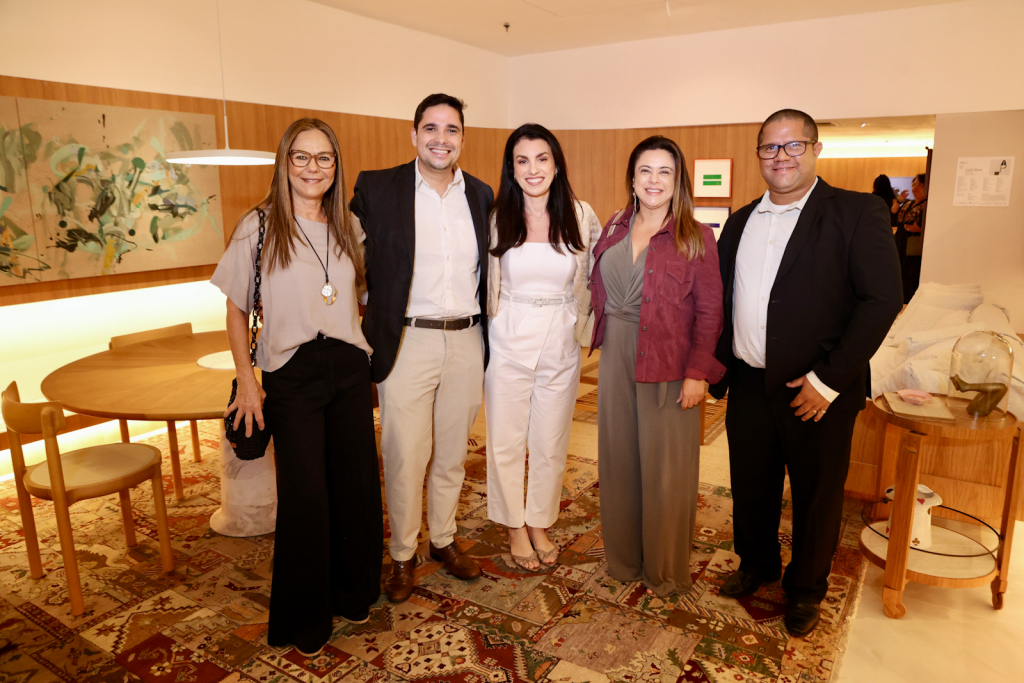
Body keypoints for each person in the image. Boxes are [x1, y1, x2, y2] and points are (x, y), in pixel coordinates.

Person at [711, 109, 902, 637]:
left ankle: (806, 589)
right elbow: (723, 298)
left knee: (817, 493)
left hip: (817, 387)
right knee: (751, 484)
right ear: (759, 157)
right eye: (771, 148)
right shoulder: (740, 220)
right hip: (749, 380)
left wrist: (828, 380)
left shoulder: (857, 212)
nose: (782, 157)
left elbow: (882, 299)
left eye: (794, 146)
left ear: (816, 150)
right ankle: (757, 565)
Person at [212, 118, 382, 656]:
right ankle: (305, 618)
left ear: (337, 165)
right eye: (302, 157)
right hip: (292, 374)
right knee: (306, 494)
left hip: (349, 369)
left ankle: (354, 594)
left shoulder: (349, 225)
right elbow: (236, 307)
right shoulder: (257, 227)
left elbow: (361, 296)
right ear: (284, 162)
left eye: (324, 158)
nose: (314, 168)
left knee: (355, 485)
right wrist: (247, 380)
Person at [350, 94, 495, 603]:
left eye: (451, 129)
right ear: (414, 135)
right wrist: (372, 302)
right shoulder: (377, 186)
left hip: (466, 338)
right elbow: (347, 254)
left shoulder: (481, 194)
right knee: (405, 453)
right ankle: (402, 555)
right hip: (406, 338)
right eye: (430, 128)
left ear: (462, 138)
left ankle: (444, 540)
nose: (441, 138)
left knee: (453, 452)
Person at [589, 135, 725, 597]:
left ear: (678, 180)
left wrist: (697, 373)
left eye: (664, 171)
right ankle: (625, 560)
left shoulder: (696, 235)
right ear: (631, 178)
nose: (654, 180)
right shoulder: (613, 227)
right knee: (620, 459)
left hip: (669, 363)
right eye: (645, 170)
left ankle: (664, 569)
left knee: (666, 470)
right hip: (616, 360)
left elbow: (710, 311)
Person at [484, 124, 602, 571]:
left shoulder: (580, 213)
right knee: (506, 440)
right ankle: (514, 524)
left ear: (556, 163)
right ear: (511, 169)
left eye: (541, 158)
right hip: (508, 336)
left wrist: (587, 328)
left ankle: (539, 520)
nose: (533, 169)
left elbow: (589, 278)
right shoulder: (498, 216)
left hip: (560, 338)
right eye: (522, 160)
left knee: (550, 440)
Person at [894, 173, 928, 303]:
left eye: (920, 184)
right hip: (900, 242)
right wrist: (899, 200)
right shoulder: (908, 203)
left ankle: (909, 305)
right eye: (914, 184)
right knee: (898, 273)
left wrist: (918, 229)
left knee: (910, 276)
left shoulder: (928, 205)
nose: (915, 187)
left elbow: (932, 228)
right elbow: (893, 212)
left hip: (914, 248)